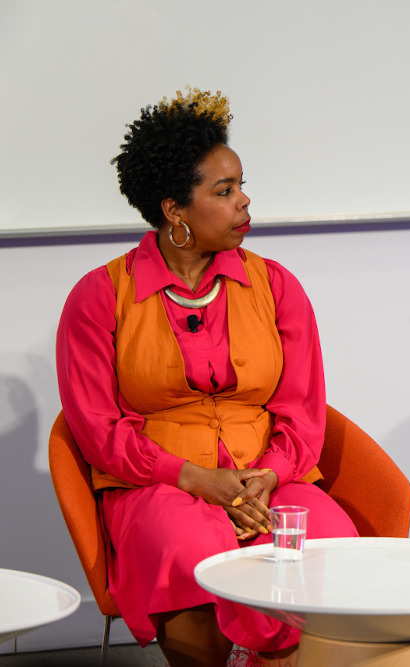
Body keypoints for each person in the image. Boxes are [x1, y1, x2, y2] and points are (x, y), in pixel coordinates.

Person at [55, 88, 358, 667]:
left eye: (241, 185)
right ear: (175, 210)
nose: (245, 202)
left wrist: (264, 478)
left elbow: (303, 409)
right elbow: (97, 429)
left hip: (269, 477)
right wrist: (195, 479)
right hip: (155, 484)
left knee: (328, 541)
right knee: (189, 548)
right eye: (224, 191)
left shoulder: (276, 286)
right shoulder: (100, 296)